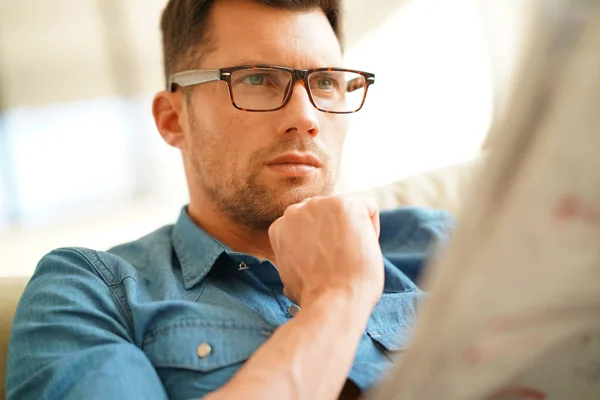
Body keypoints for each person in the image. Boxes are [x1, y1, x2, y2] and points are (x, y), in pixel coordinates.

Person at [7, 0, 454, 399]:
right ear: (172, 119)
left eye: (325, 83)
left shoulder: (442, 243)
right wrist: (339, 298)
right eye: (257, 79)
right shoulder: (89, 292)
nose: (305, 117)